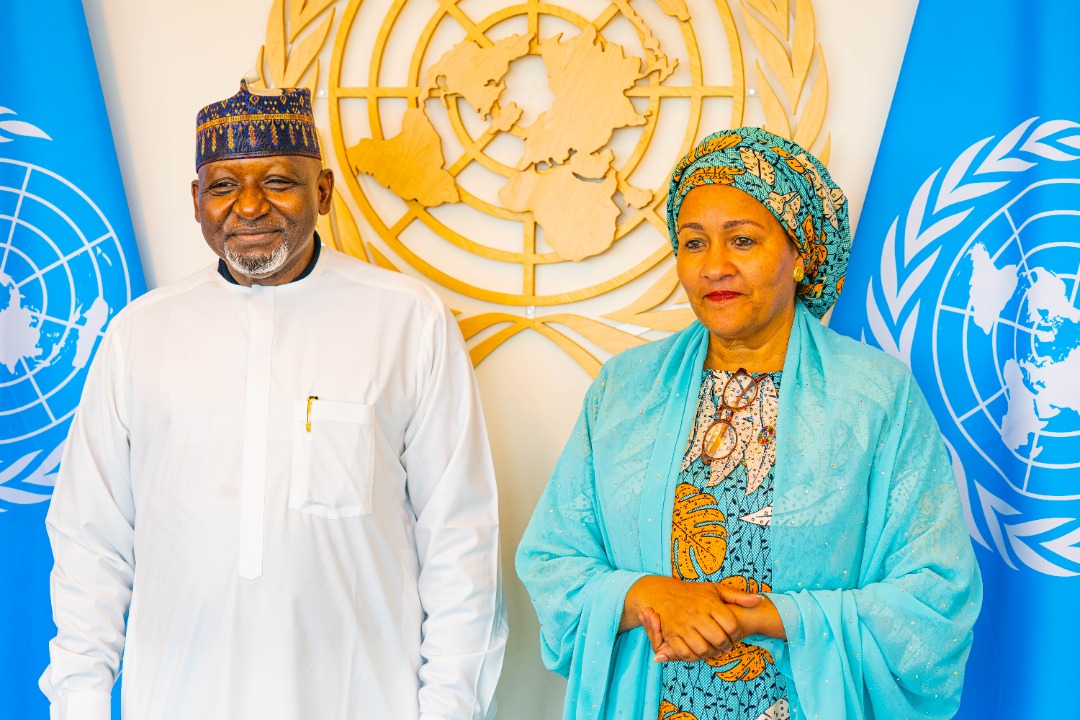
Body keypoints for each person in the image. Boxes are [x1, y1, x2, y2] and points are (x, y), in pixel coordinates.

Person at [40, 79, 506, 720]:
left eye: (279, 181)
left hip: (361, 700)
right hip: (179, 700)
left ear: (324, 191)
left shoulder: (408, 321)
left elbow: (461, 541)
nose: (250, 205)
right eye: (224, 186)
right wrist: (81, 704)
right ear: (197, 201)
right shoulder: (138, 335)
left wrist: (449, 709)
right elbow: (90, 542)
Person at [516, 127, 981, 720]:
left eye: (742, 240)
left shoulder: (874, 396)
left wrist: (771, 617)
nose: (714, 267)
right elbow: (553, 558)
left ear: (800, 253)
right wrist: (646, 594)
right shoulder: (625, 389)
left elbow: (937, 589)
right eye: (694, 243)